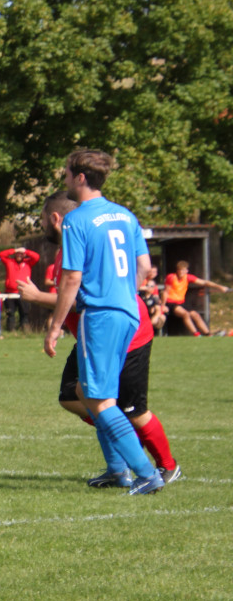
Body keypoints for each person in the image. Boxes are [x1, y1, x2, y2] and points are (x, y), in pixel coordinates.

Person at [19, 191, 180, 488]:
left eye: (42, 219)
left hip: (124, 335)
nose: (42, 225)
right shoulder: (73, 245)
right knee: (74, 394)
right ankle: (118, 468)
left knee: (130, 410)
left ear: (55, 219)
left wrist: (36, 298)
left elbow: (80, 293)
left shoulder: (80, 238)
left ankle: (164, 467)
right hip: (92, 334)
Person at [44, 149, 163, 495]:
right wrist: (125, 294)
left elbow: (70, 279)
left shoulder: (76, 220)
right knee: (88, 391)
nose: (64, 178)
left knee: (98, 399)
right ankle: (117, 470)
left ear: (80, 177)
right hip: (129, 311)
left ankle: (145, 473)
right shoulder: (126, 216)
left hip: (100, 315)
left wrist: (54, 327)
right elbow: (144, 268)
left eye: (66, 173)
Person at [163, 260, 229, 336]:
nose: (181, 272)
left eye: (183, 270)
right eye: (180, 270)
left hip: (181, 302)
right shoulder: (171, 277)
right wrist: (163, 305)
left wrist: (220, 287)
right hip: (171, 303)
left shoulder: (187, 277)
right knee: (185, 314)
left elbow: (204, 282)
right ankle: (196, 334)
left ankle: (208, 334)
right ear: (177, 270)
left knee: (195, 315)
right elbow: (165, 292)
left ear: (186, 271)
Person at [0, 245, 40, 332]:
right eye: (17, 254)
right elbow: (1, 254)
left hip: (24, 292)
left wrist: (26, 251)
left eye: (21, 254)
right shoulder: (9, 262)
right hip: (10, 292)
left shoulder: (29, 263)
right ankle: (11, 330)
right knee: (10, 313)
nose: (19, 256)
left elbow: (36, 257)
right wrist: (14, 250)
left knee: (24, 313)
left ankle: (25, 331)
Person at [139, 267, 167, 332]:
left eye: (154, 272)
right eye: (151, 271)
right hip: (142, 312)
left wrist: (160, 307)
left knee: (161, 317)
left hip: (152, 309)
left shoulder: (154, 290)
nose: (152, 273)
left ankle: (151, 331)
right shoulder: (141, 280)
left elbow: (156, 300)